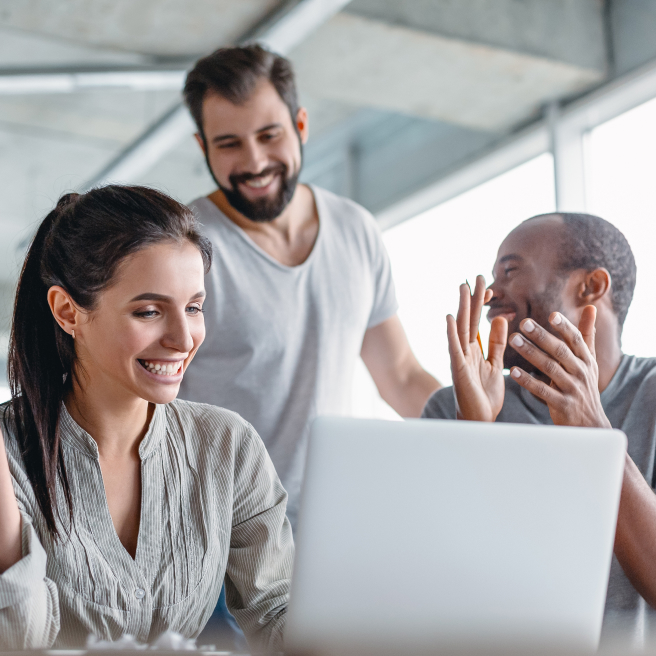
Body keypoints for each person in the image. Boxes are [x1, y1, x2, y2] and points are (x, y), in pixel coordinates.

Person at [0, 186, 293, 650]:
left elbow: (278, 619)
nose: (184, 338)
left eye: (194, 307)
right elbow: (18, 638)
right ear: (67, 312)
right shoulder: (8, 450)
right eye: (150, 311)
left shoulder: (228, 446)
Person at [179, 44, 441, 530]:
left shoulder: (355, 228)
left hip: (338, 523)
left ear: (300, 125)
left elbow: (400, 376)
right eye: (229, 143)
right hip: (225, 539)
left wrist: (481, 429)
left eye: (268, 135)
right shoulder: (184, 247)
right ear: (203, 148)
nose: (254, 161)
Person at [423, 212, 656, 645]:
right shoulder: (451, 407)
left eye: (510, 270)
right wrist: (474, 436)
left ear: (591, 286)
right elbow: (429, 591)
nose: (491, 293)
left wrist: (596, 436)